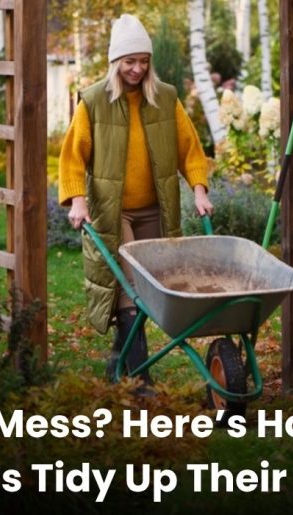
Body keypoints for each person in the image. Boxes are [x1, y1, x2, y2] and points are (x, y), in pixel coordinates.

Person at [58, 14, 213, 387]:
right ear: (116, 62)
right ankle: (141, 382)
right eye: (130, 61)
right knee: (132, 288)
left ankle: (119, 364)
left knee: (146, 290)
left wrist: (199, 190)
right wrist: (77, 201)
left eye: (143, 61)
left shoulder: (165, 98)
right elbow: (72, 156)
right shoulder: (94, 101)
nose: (137, 69)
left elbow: (189, 148)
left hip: (156, 209)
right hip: (115, 212)